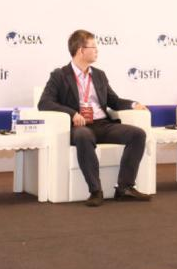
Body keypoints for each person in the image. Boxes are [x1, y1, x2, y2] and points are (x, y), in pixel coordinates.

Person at [38, 29, 151, 207]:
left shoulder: (99, 75)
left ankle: (125, 187)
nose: (97, 50)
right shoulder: (60, 75)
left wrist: (133, 104)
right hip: (80, 126)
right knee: (83, 135)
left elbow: (114, 101)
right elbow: (44, 103)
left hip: (103, 124)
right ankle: (95, 191)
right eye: (93, 47)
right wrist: (72, 113)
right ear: (81, 50)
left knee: (138, 134)